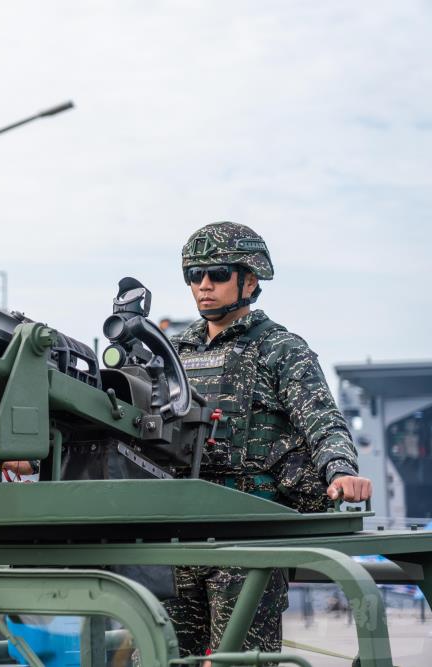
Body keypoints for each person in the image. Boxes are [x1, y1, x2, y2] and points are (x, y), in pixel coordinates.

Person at [164, 221, 372, 658]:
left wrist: (342, 470)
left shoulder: (279, 348)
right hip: (176, 538)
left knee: (240, 659)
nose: (204, 286)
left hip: (249, 543)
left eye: (218, 274)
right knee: (160, 654)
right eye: (194, 276)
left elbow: (322, 420)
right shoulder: (174, 353)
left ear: (250, 280)